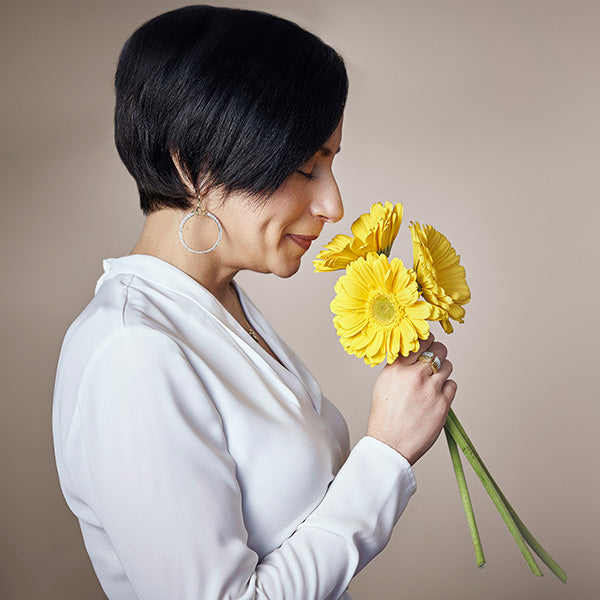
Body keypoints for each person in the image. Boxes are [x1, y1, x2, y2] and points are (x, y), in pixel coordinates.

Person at [52, 5, 456, 599]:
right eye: (304, 165)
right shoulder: (132, 350)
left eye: (331, 162)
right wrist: (387, 454)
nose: (333, 205)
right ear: (190, 164)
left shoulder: (220, 305)